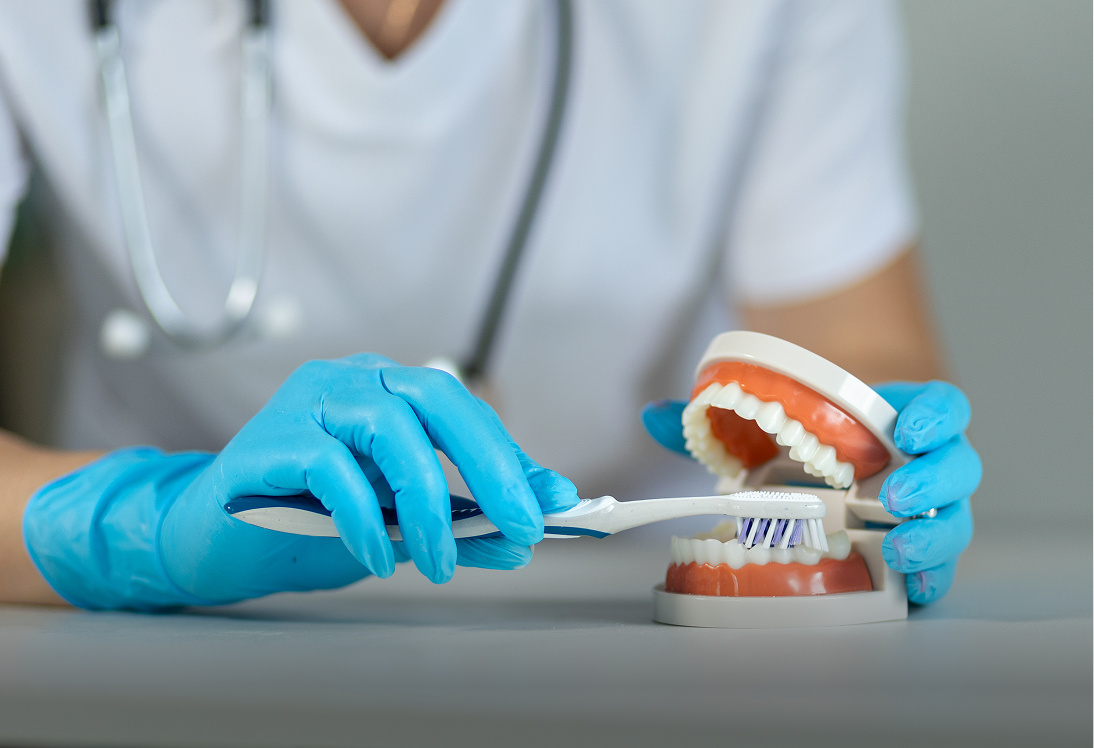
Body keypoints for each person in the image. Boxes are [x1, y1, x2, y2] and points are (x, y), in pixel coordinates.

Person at [0, 0, 978, 610]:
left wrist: (864, 449)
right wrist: (134, 529)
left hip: (642, 621)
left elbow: (850, 325)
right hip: (164, 635)